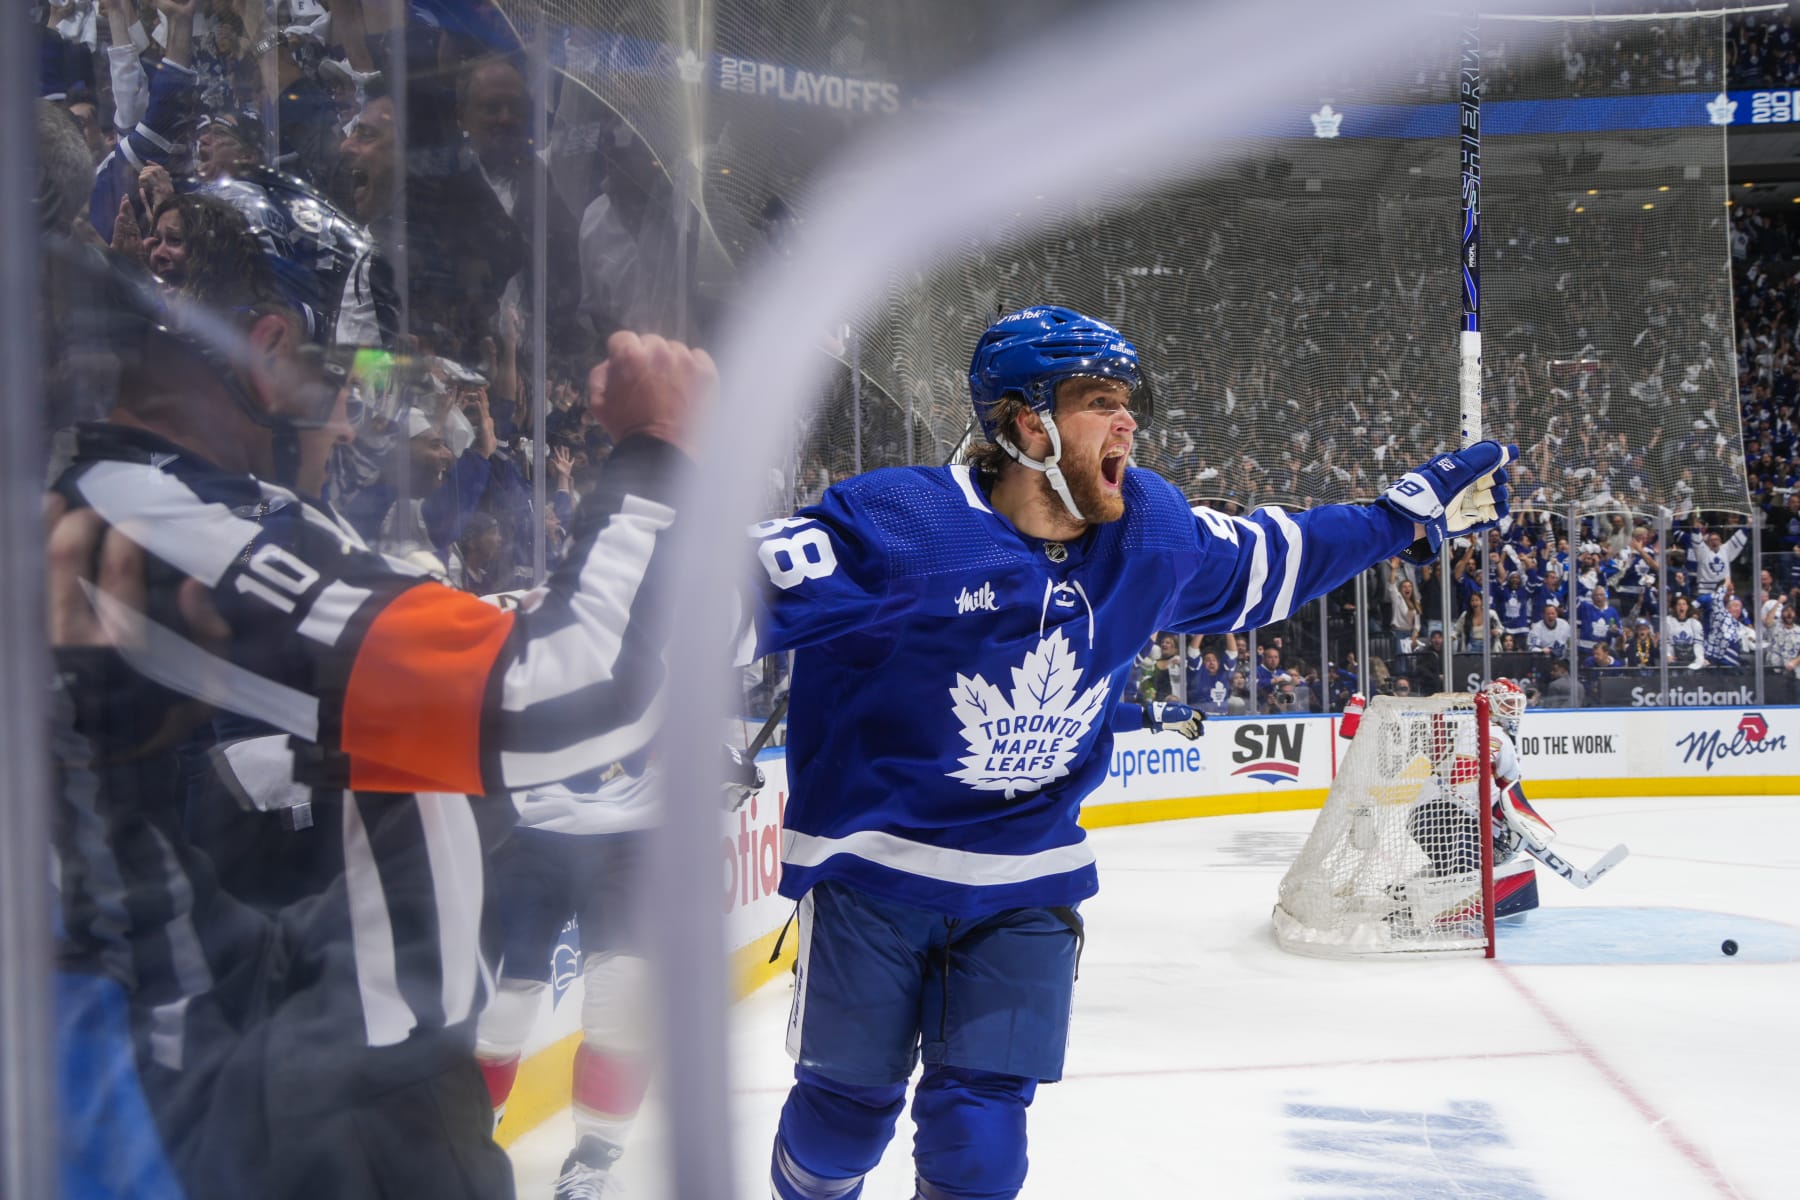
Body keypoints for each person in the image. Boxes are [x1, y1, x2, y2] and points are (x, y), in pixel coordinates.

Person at [748, 305, 1514, 1200]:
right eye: (1101, 402)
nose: (1129, 423)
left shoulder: (1149, 532)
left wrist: (1401, 516)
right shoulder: (901, 526)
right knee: (842, 1124)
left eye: (1129, 402)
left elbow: (1280, 555)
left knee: (981, 1146)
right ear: (1026, 424)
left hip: (1025, 882)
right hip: (876, 876)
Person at [42, 239, 711, 1198]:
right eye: (348, 378)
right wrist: (659, 454)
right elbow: (563, 696)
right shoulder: (157, 517)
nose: (355, 417)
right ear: (269, 346)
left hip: (340, 1077)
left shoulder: (200, 513)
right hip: (324, 1101)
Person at [1664, 592, 1708, 668]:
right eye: (1679, 604)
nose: (1681, 606)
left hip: (1690, 659)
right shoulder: (1668, 621)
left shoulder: (1695, 623)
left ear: (1688, 607)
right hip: (1673, 660)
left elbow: (1698, 644)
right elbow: (1665, 642)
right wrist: (1668, 655)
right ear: (1675, 607)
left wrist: (1700, 659)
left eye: (1684, 604)